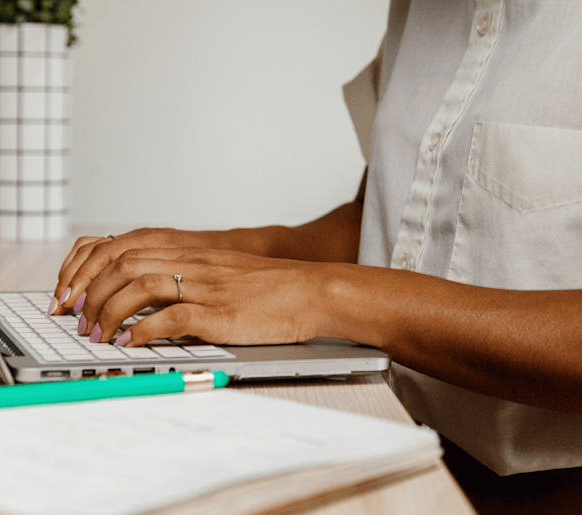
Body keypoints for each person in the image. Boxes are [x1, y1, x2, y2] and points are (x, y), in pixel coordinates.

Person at [50, 0, 582, 511]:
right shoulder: (425, 9)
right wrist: (214, 255)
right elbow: (390, 214)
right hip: (386, 435)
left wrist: (323, 295)